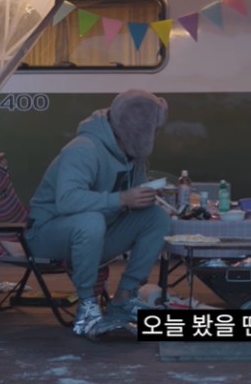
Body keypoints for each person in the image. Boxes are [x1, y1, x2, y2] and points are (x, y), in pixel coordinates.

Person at [25, 89, 171, 337]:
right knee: (90, 221)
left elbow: (132, 195)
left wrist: (145, 196)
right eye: (153, 129)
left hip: (97, 234)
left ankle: (124, 297)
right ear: (138, 129)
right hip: (46, 234)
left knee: (156, 218)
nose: (154, 135)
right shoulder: (84, 148)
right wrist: (123, 198)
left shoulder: (132, 154)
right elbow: (67, 201)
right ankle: (87, 307)